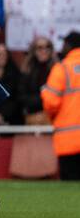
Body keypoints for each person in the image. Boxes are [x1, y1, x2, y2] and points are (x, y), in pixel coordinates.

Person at [41, 31, 80, 181]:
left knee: (70, 193)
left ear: (69, 46)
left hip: (68, 141)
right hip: (69, 141)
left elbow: (51, 103)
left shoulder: (62, 69)